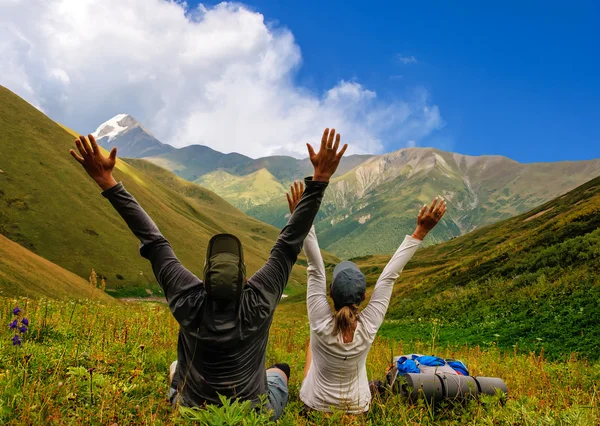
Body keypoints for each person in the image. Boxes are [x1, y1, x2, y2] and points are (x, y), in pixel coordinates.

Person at [69, 128, 348, 420]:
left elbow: (152, 240)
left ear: (204, 274)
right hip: (253, 415)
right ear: (243, 276)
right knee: (280, 372)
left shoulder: (188, 300)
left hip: (194, 413)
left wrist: (106, 179)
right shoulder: (259, 301)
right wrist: (320, 180)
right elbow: (289, 244)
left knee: (177, 369)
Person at [285, 182, 446, 414]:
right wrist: (420, 232)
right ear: (364, 296)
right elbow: (389, 277)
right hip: (357, 409)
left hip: (314, 407)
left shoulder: (319, 322)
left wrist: (302, 216)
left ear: (329, 293)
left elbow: (314, 265)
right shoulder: (368, 325)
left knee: (313, 344)